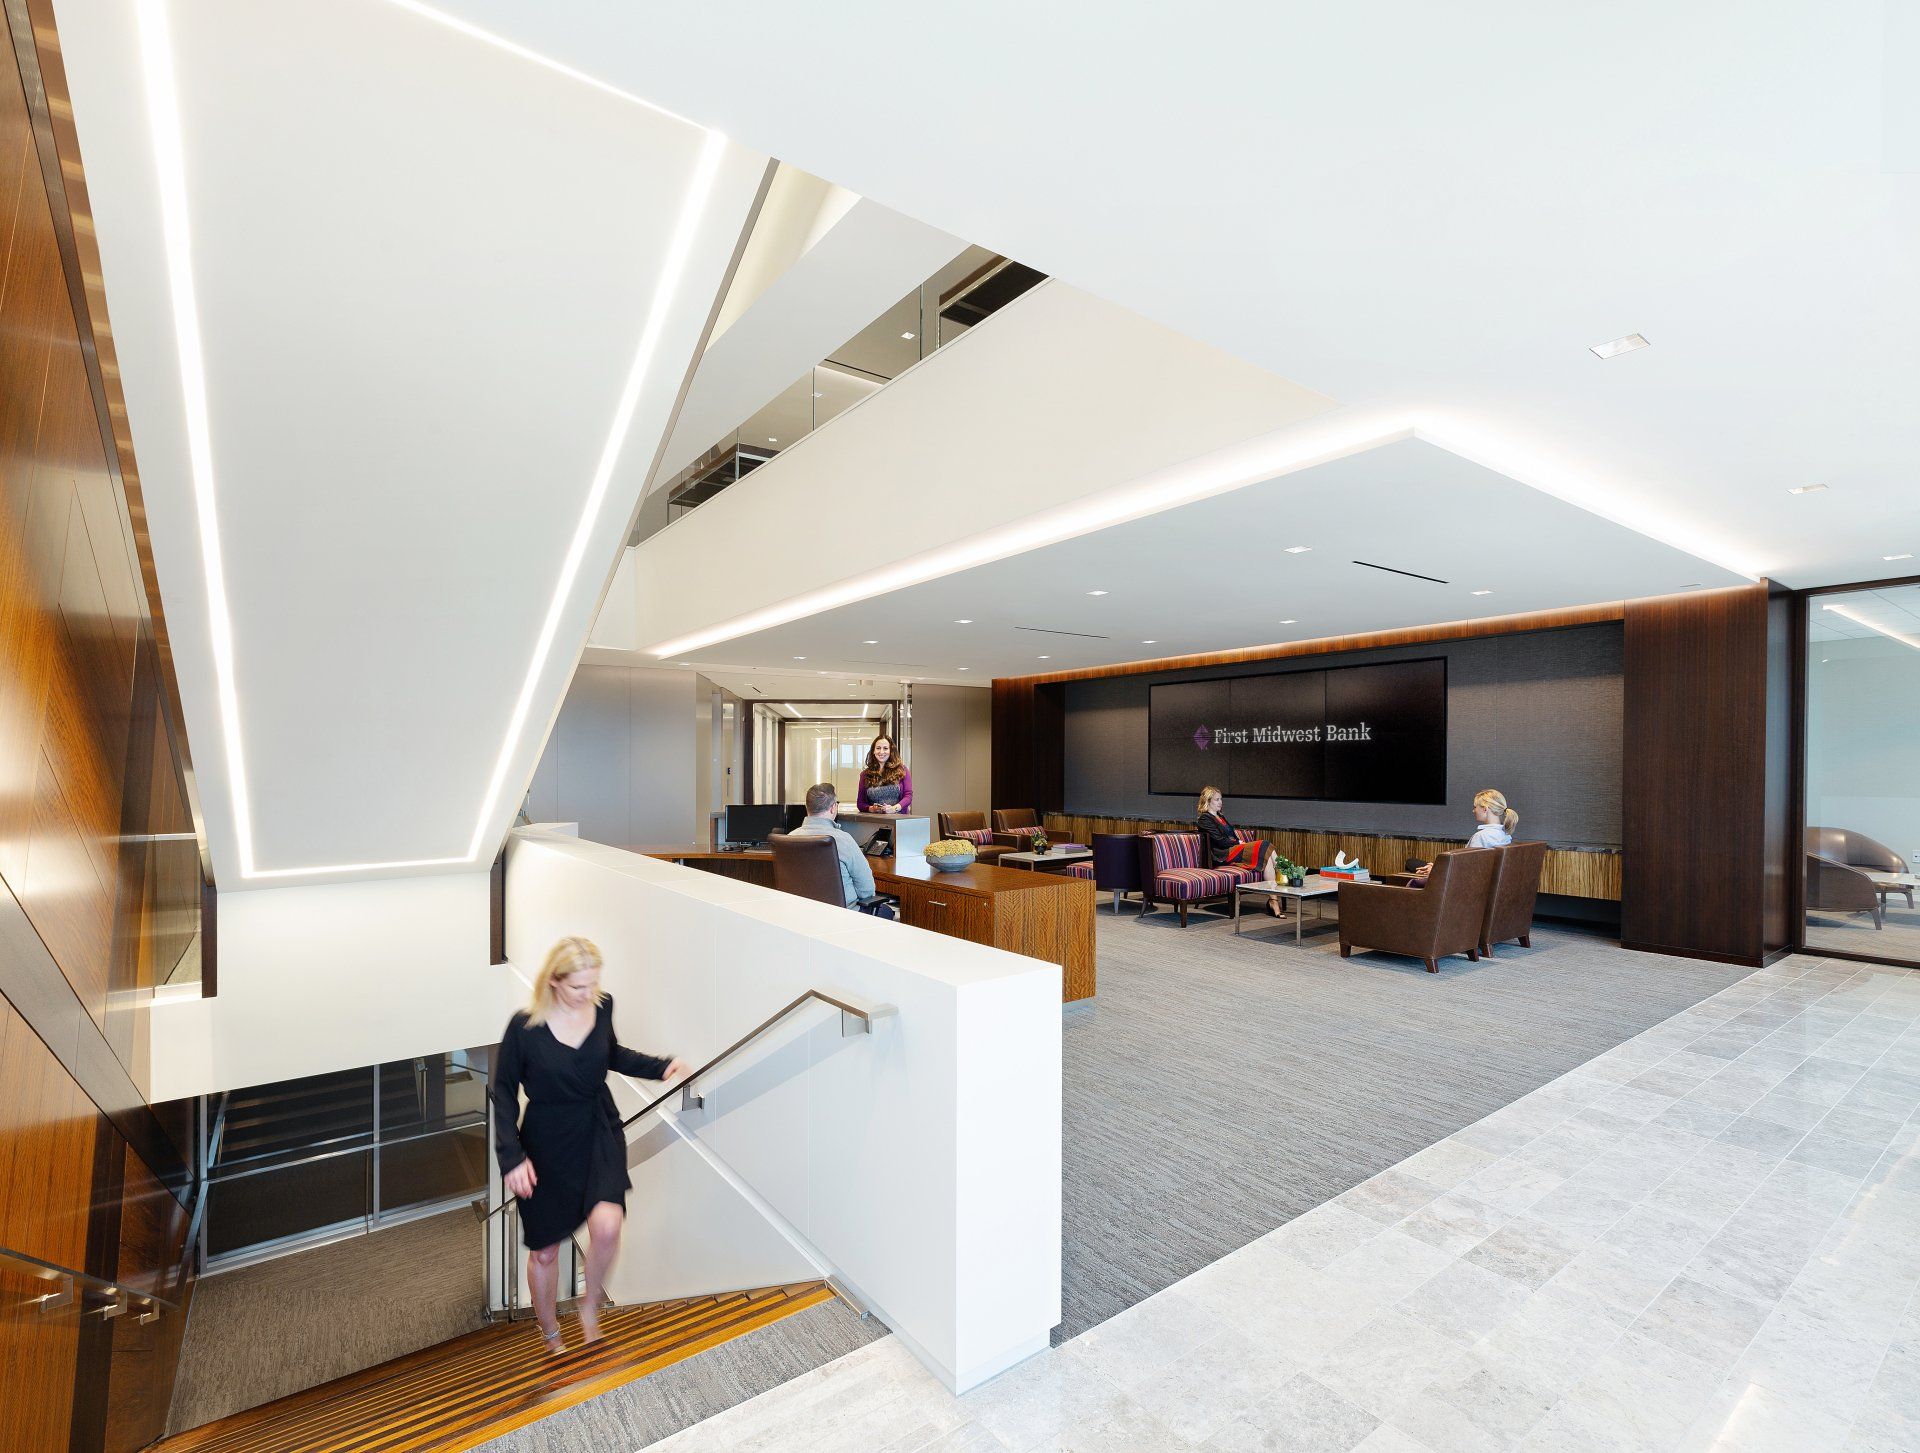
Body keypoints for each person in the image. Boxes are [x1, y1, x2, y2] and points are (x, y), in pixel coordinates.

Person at [492, 937, 690, 1354]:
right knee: (544, 1253)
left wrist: (660, 1067)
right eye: (579, 987)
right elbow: (505, 1092)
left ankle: (589, 1301)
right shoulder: (524, 1027)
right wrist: (512, 1158)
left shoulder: (602, 1006)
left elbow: (611, 1054)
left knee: (607, 1225)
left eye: (593, 984)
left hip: (598, 1126)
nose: (589, 995)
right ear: (554, 981)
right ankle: (550, 1333)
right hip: (546, 1141)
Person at [793, 781, 897, 918]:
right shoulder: (843, 839)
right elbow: (867, 891)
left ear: (807, 808)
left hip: (803, 914)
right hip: (843, 917)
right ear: (833, 808)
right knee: (888, 911)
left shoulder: (790, 838)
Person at [1197, 786, 1284, 916]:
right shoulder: (1205, 819)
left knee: (1267, 859)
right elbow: (1220, 840)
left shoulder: (1220, 816)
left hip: (1232, 849)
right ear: (1208, 801)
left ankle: (1273, 900)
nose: (1220, 802)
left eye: (1221, 799)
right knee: (1265, 844)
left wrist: (1237, 842)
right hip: (1223, 854)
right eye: (1217, 799)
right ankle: (1284, 875)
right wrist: (1238, 842)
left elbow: (1231, 835)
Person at [1409, 788, 1519, 886]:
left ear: (1485, 809)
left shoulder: (1481, 837)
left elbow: (1468, 871)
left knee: (1411, 863)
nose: (1473, 810)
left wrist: (1437, 870)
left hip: (1460, 883)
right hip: (1485, 882)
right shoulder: (1506, 835)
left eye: (1475, 807)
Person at [855, 733, 912, 814]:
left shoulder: (902, 770)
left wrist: (894, 809)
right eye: (878, 748)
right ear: (873, 751)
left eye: (885, 748)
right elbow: (860, 804)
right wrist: (872, 809)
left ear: (891, 751)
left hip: (899, 821)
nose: (881, 752)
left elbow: (908, 796)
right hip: (875, 821)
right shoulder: (864, 774)